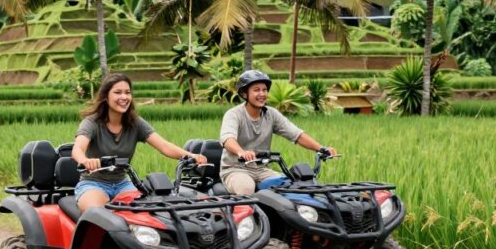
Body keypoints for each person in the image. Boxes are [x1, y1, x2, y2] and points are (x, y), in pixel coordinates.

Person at [72, 74, 208, 211]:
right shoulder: (92, 123)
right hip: (93, 183)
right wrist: (85, 161)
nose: (124, 97)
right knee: (97, 214)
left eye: (127, 92)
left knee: (142, 214)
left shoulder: (135, 123)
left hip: (123, 183)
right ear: (106, 97)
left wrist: (192, 156)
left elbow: (164, 146)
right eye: (117, 92)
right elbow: (78, 148)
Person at [219, 70, 337, 195]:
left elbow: (297, 135)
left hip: (262, 170)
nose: (262, 94)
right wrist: (241, 152)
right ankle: (245, 215)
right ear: (244, 93)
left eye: (264, 90)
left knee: (292, 186)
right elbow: (227, 139)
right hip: (236, 169)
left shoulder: (271, 114)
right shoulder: (234, 114)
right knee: (246, 188)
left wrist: (321, 149)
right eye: (256, 90)